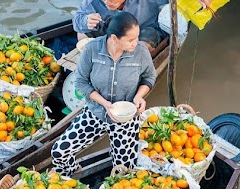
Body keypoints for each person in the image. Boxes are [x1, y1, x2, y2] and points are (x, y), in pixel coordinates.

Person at [52, 12, 156, 176]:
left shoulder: (141, 52)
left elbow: (149, 76)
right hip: (96, 113)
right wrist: (105, 104)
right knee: (59, 152)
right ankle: (71, 173)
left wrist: (139, 96)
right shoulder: (92, 50)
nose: (136, 43)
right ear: (114, 38)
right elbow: (81, 81)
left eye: (137, 37)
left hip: (126, 118)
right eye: (130, 40)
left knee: (124, 171)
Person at [73, 0, 168, 53]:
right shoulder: (92, 2)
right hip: (111, 32)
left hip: (143, 31)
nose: (108, 2)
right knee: (82, 32)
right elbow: (77, 20)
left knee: (144, 45)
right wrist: (86, 21)